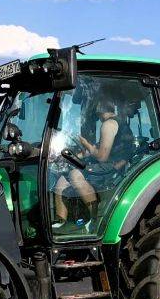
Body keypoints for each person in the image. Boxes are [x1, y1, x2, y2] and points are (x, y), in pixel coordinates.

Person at [51, 91, 120, 232]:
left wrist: (85, 143)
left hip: (111, 165)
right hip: (103, 163)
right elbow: (94, 150)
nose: (91, 107)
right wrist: (74, 156)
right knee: (61, 182)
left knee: (75, 174)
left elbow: (102, 157)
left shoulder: (109, 124)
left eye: (92, 103)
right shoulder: (108, 123)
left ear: (100, 106)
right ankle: (61, 220)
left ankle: (95, 219)